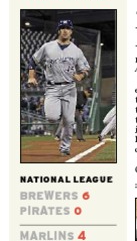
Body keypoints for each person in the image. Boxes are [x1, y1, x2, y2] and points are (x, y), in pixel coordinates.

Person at [28, 18, 90, 157]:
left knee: (69, 121)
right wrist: (31, 76)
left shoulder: (76, 51)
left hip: (69, 89)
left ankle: (65, 148)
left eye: (68, 28)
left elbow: (85, 69)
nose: (65, 30)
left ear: (71, 31)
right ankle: (62, 117)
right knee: (51, 117)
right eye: (62, 28)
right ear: (58, 30)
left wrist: (81, 76)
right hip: (52, 88)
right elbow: (33, 60)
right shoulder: (48, 46)